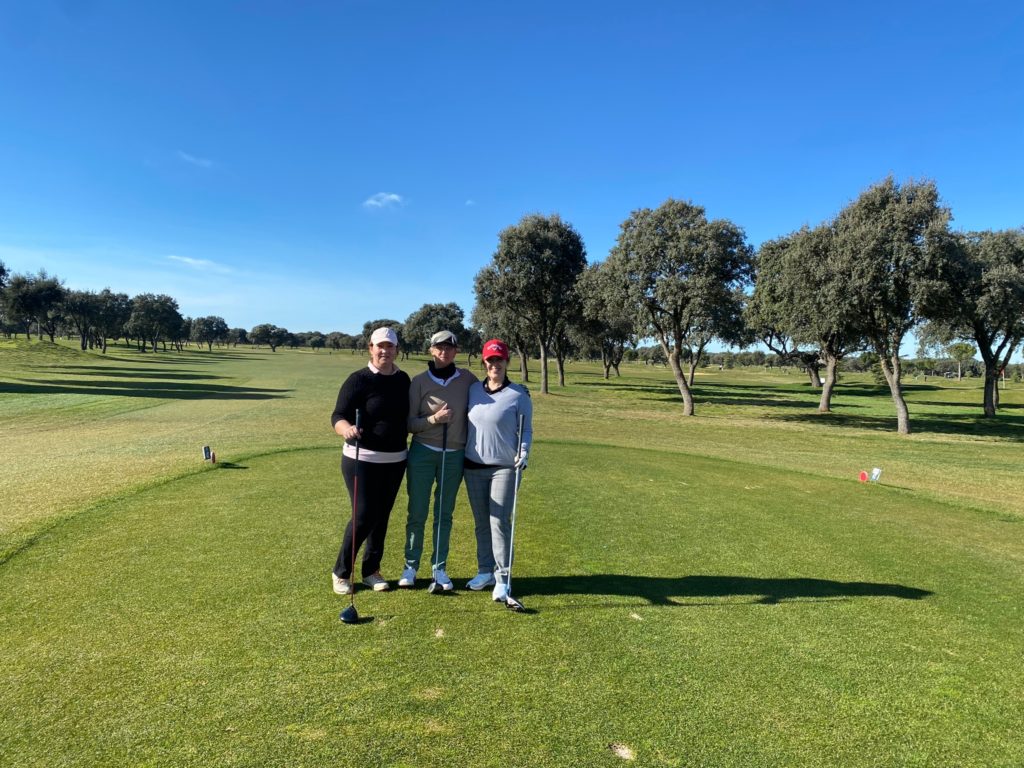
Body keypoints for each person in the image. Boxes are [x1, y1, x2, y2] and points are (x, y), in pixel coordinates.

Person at [330, 326, 410, 595]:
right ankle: (341, 572)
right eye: (380, 346)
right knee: (363, 515)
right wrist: (346, 429)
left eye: (390, 346)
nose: (385, 351)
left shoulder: (403, 380)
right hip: (361, 458)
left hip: (396, 459)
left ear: (396, 349)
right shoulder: (358, 380)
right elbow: (338, 415)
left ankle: (371, 571)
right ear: (371, 348)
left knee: (382, 517)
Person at [400, 330, 479, 590]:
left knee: (444, 514)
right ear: (431, 350)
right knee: (417, 512)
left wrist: (516, 389)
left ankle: (439, 568)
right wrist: (434, 420)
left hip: (454, 454)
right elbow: (409, 424)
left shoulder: (467, 379)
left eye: (449, 347)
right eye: (439, 347)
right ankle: (411, 566)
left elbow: (491, 392)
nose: (444, 352)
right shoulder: (419, 382)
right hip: (422, 452)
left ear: (457, 351)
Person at [463, 338, 533, 603]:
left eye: (499, 360)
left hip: (505, 467)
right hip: (472, 466)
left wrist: (524, 453)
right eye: (490, 360)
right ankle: (485, 572)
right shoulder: (472, 390)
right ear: (484, 362)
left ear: (507, 362)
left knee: (499, 523)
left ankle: (503, 578)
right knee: (481, 523)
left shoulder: (519, 394)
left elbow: (526, 429)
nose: (495, 364)